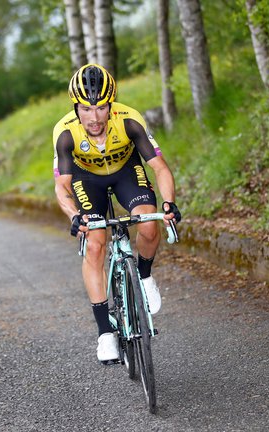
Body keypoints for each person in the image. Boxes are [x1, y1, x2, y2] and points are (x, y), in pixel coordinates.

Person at [52, 64, 182, 363]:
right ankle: (104, 334)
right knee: (95, 244)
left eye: (101, 108)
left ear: (111, 104)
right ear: (76, 108)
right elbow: (62, 186)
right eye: (86, 109)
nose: (94, 117)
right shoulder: (65, 133)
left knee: (149, 224)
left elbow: (159, 167)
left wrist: (168, 203)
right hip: (87, 179)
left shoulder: (129, 121)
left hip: (126, 171)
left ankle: (145, 277)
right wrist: (75, 216)